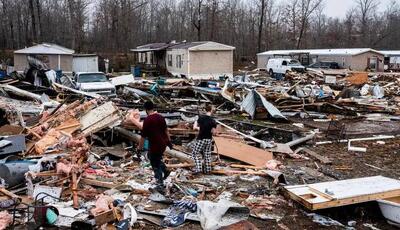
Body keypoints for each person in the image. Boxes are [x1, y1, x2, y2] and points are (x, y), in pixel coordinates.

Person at [138, 101, 172, 190]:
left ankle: (160, 183)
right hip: (163, 144)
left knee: (154, 163)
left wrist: (139, 148)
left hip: (155, 145)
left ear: (146, 109)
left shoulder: (147, 120)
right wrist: (169, 141)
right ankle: (165, 170)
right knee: (154, 158)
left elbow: (143, 137)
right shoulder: (160, 117)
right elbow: (166, 130)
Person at [192, 105, 217, 174]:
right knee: (207, 155)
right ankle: (208, 170)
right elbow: (214, 132)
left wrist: (198, 127)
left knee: (195, 153)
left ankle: (199, 168)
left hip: (201, 138)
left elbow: (194, 128)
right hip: (209, 139)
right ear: (211, 111)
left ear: (205, 110)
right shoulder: (213, 121)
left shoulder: (201, 118)